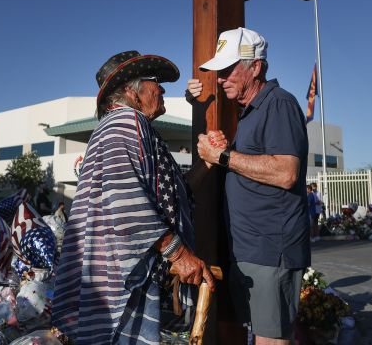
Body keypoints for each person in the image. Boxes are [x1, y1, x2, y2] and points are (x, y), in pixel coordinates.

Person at [52, 50, 214, 344]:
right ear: (130, 90)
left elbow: (173, 195)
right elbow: (129, 203)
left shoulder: (128, 127)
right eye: (155, 81)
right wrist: (178, 254)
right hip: (121, 285)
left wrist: (209, 162)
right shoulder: (125, 123)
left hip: (122, 279)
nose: (162, 88)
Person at [188, 27, 309, 345]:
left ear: (255, 66)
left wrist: (224, 156)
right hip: (252, 251)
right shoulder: (251, 112)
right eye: (219, 71)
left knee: (272, 340)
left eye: (228, 69)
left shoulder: (279, 104)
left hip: (272, 250)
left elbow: (286, 172)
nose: (221, 78)